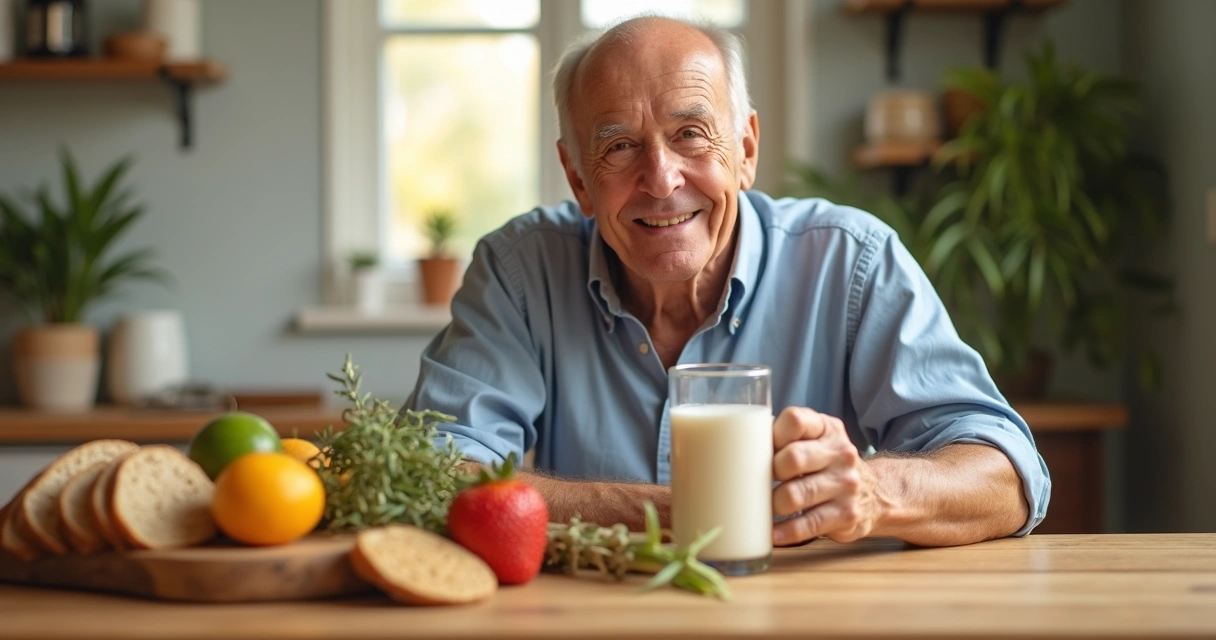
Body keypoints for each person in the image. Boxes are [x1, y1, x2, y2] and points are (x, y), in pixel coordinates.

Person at [405, 16, 1050, 547]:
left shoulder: (851, 261)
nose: (662, 180)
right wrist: (692, 513)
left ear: (745, 150)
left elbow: (1006, 474)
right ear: (578, 180)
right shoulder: (519, 272)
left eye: (691, 134)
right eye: (620, 147)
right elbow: (428, 478)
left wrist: (875, 493)